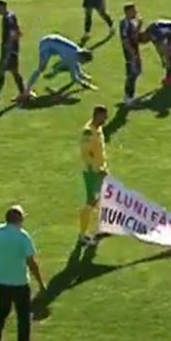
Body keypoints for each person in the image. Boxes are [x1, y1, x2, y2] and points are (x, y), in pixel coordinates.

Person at [0, 205, 46, 341]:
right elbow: (31, 262)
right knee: (23, 317)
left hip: (1, 282)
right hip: (19, 283)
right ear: (19, 219)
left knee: (1, 314)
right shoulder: (22, 236)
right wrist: (41, 282)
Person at [19, 33, 97, 99]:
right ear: (82, 57)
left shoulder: (77, 51)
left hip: (51, 40)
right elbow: (74, 78)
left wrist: (83, 75)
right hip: (46, 45)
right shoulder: (71, 57)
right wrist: (87, 85)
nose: (84, 63)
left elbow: (77, 65)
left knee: (73, 65)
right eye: (85, 61)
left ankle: (27, 90)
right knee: (41, 68)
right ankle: (27, 91)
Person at [0, 0, 30, 106]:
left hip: (8, 50)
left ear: (3, 6)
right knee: (14, 72)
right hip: (13, 49)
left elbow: (13, 33)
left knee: (2, 72)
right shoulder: (12, 15)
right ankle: (23, 94)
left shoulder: (7, 19)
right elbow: (18, 32)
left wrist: (8, 49)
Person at [78, 105, 109, 246]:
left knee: (101, 201)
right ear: (97, 115)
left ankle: (101, 228)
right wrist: (97, 170)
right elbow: (86, 154)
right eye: (104, 116)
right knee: (91, 202)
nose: (106, 119)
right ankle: (83, 235)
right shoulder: (88, 132)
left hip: (99, 170)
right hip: (92, 173)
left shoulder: (97, 129)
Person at [143, 19, 171, 85]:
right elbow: (158, 48)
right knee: (170, 55)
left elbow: (163, 48)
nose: (146, 41)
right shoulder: (151, 33)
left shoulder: (154, 33)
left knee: (170, 55)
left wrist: (166, 60)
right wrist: (162, 59)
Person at [118, 2, 143, 107]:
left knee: (137, 72)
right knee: (132, 74)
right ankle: (128, 97)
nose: (136, 12)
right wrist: (131, 53)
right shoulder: (124, 24)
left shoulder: (132, 22)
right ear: (127, 12)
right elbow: (125, 40)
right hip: (130, 52)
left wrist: (140, 25)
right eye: (133, 10)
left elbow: (134, 35)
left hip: (135, 51)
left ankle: (129, 95)